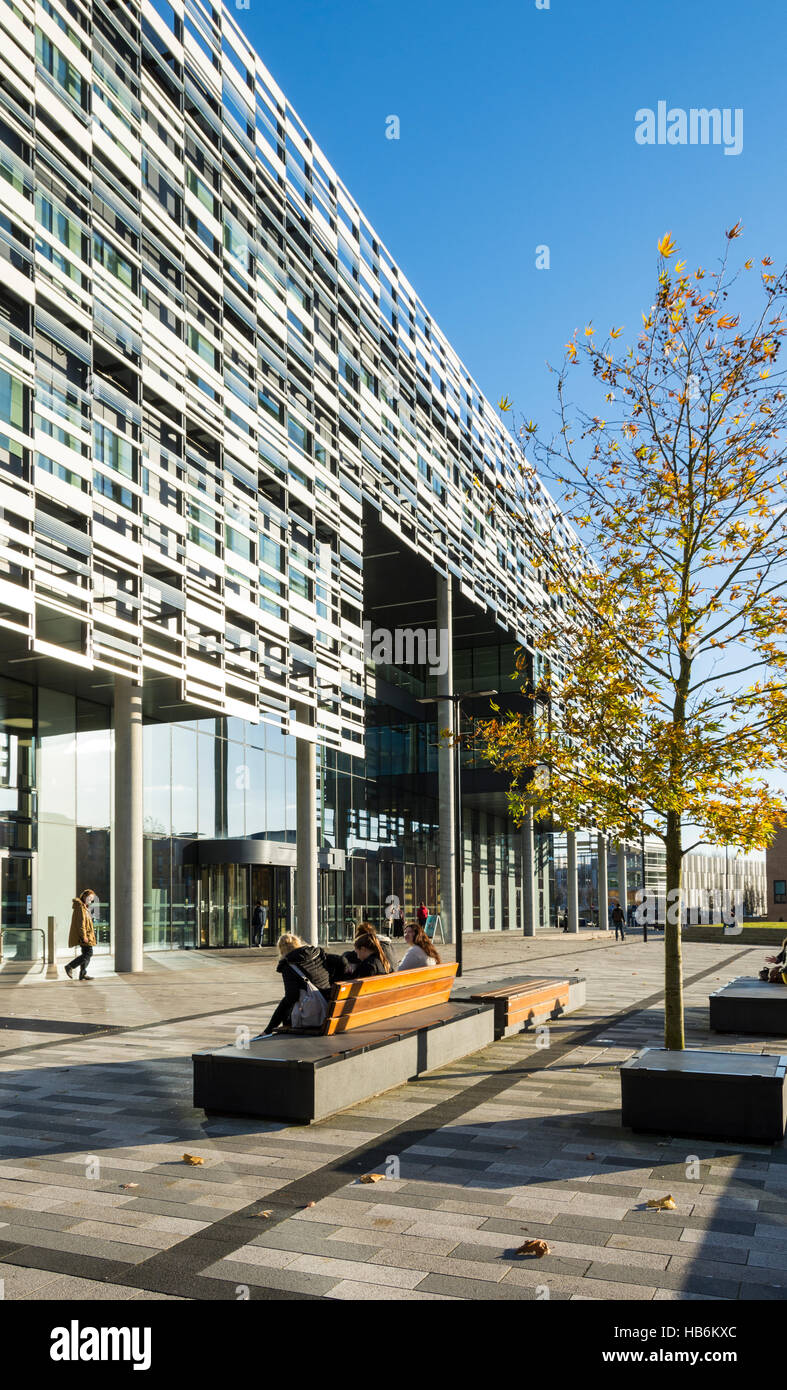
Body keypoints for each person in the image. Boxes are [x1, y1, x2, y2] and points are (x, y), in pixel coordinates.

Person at [262, 934, 333, 1033]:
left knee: (287, 1006)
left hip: (316, 1014)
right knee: (288, 1001)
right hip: (329, 1007)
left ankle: (267, 1031)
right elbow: (341, 960)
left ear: (281, 950)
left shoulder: (288, 966)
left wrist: (271, 1026)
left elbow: (292, 997)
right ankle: (268, 1030)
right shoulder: (316, 954)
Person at [65, 889, 97, 980]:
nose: (91, 900)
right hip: (84, 935)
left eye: (92, 899)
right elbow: (81, 923)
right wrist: (84, 936)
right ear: (84, 897)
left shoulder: (85, 907)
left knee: (86, 953)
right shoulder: (80, 908)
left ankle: (82, 973)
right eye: (89, 898)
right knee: (88, 953)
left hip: (87, 935)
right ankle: (70, 966)